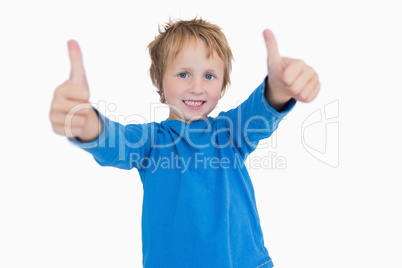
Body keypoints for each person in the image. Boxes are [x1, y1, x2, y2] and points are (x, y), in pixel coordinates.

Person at [49, 18, 320, 268]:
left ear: (223, 83)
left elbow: (260, 112)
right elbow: (116, 142)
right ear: (158, 79)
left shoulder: (231, 132)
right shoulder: (151, 141)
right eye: (183, 74)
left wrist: (279, 88)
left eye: (209, 76)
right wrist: (87, 124)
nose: (197, 87)